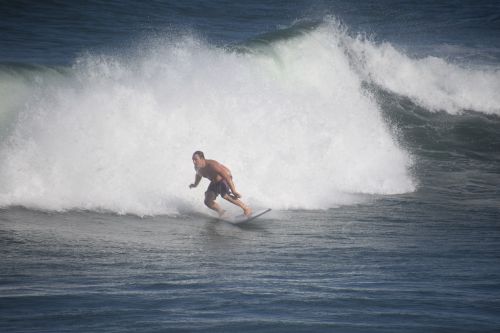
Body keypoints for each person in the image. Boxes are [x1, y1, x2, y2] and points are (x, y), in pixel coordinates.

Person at [189, 151, 252, 217]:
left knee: (225, 195)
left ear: (202, 159)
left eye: (195, 159)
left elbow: (227, 177)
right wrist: (195, 184)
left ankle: (246, 208)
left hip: (224, 178)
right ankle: (222, 212)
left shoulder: (212, 165)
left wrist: (234, 191)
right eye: (193, 160)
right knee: (207, 201)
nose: (194, 162)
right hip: (214, 182)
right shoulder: (197, 167)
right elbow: (199, 175)